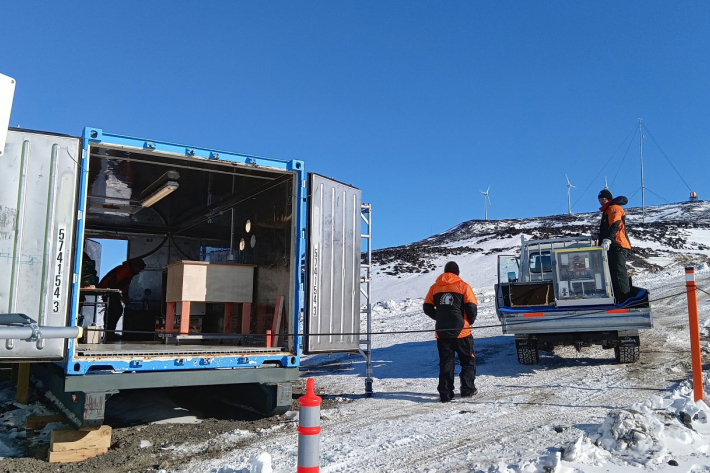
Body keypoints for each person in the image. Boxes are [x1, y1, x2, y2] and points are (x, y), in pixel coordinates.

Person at [423, 261, 478, 402]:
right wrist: (469, 322)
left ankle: (446, 394)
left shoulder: (434, 287)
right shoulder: (463, 286)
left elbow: (427, 307)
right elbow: (471, 308)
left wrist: (439, 318)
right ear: (457, 273)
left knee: (446, 362)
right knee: (467, 361)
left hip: (442, 332)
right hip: (462, 332)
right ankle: (467, 389)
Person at [98, 257, 146, 341]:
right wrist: (120, 297)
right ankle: (109, 333)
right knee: (114, 310)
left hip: (112, 291)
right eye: (139, 269)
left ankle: (110, 332)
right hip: (107, 290)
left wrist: (125, 296)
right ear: (135, 266)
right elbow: (112, 284)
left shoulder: (130, 273)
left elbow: (125, 286)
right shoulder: (124, 270)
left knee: (116, 310)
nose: (139, 271)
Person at [597, 189, 631, 303]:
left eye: (603, 199)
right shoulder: (608, 210)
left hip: (618, 245)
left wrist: (607, 239)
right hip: (614, 246)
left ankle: (625, 300)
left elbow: (615, 224)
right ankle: (619, 298)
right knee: (614, 273)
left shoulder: (613, 208)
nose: (601, 201)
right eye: (600, 199)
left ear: (609, 199)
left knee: (618, 273)